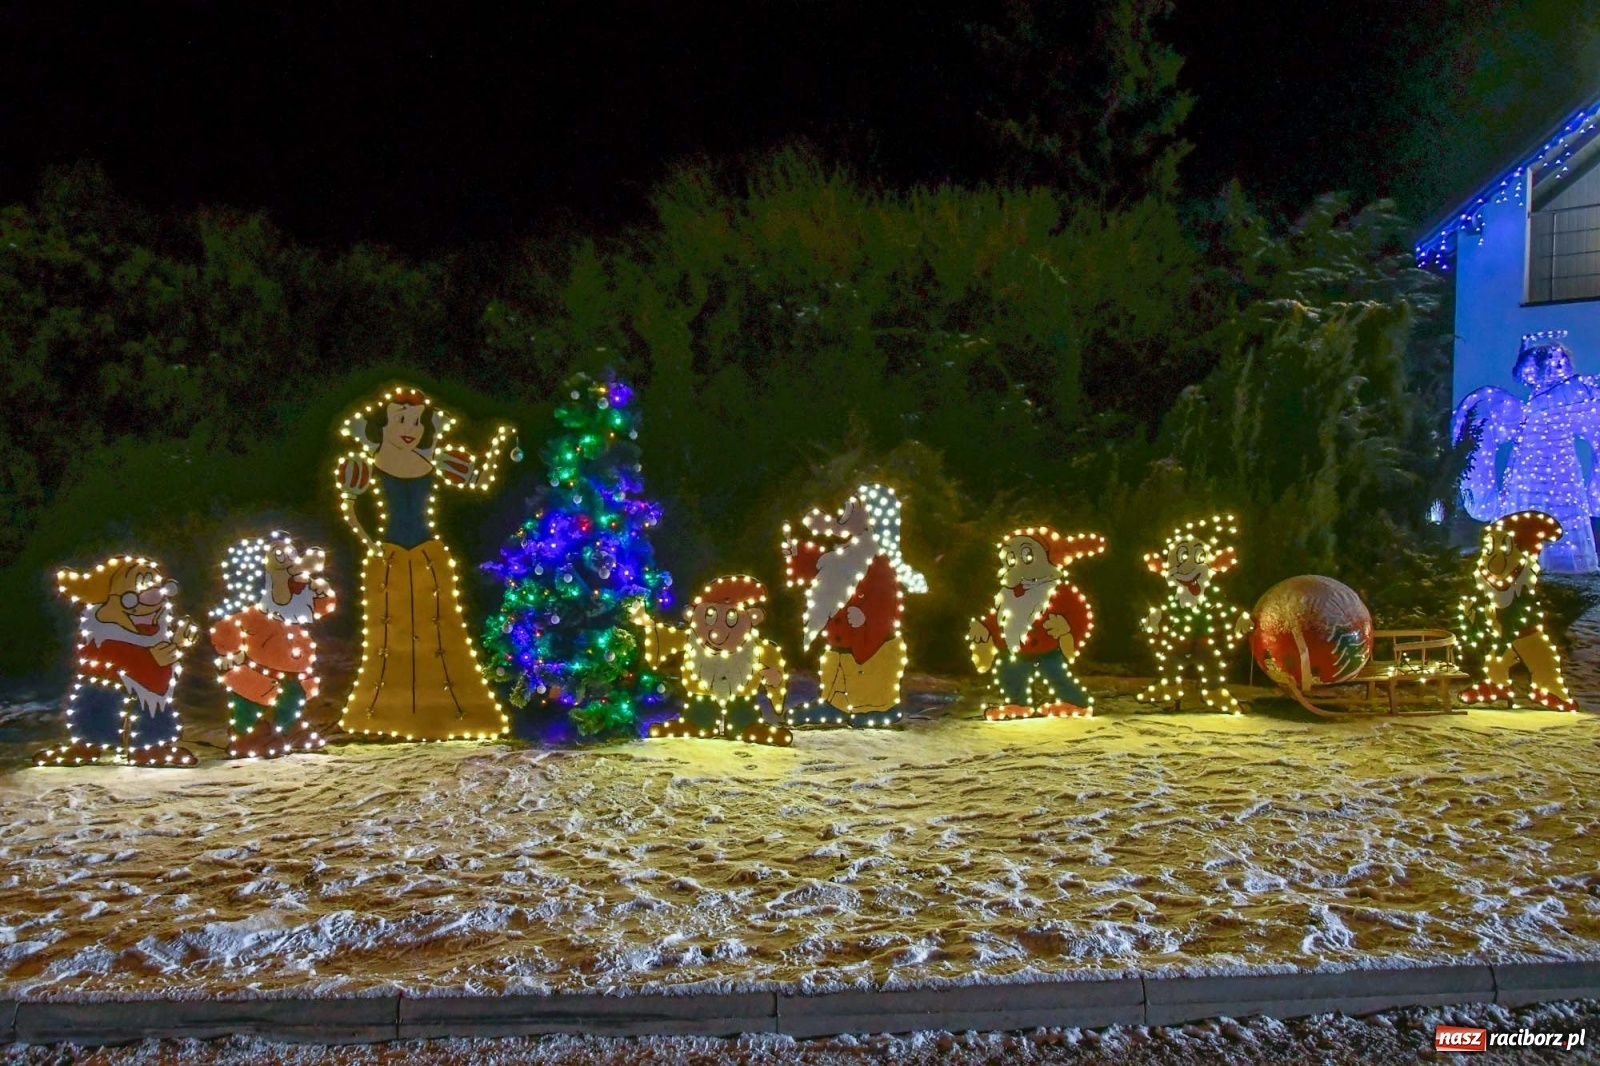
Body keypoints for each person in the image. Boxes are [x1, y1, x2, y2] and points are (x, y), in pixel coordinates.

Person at [334, 386, 517, 741]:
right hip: (387, 560)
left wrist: (497, 445)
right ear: (383, 426)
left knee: (440, 631)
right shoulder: (365, 464)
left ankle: (452, 712)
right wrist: (370, 544)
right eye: (401, 419)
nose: (410, 428)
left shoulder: (433, 461)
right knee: (389, 636)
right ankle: (384, 712)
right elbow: (351, 506)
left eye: (416, 422)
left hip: (428, 556)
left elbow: (478, 481)